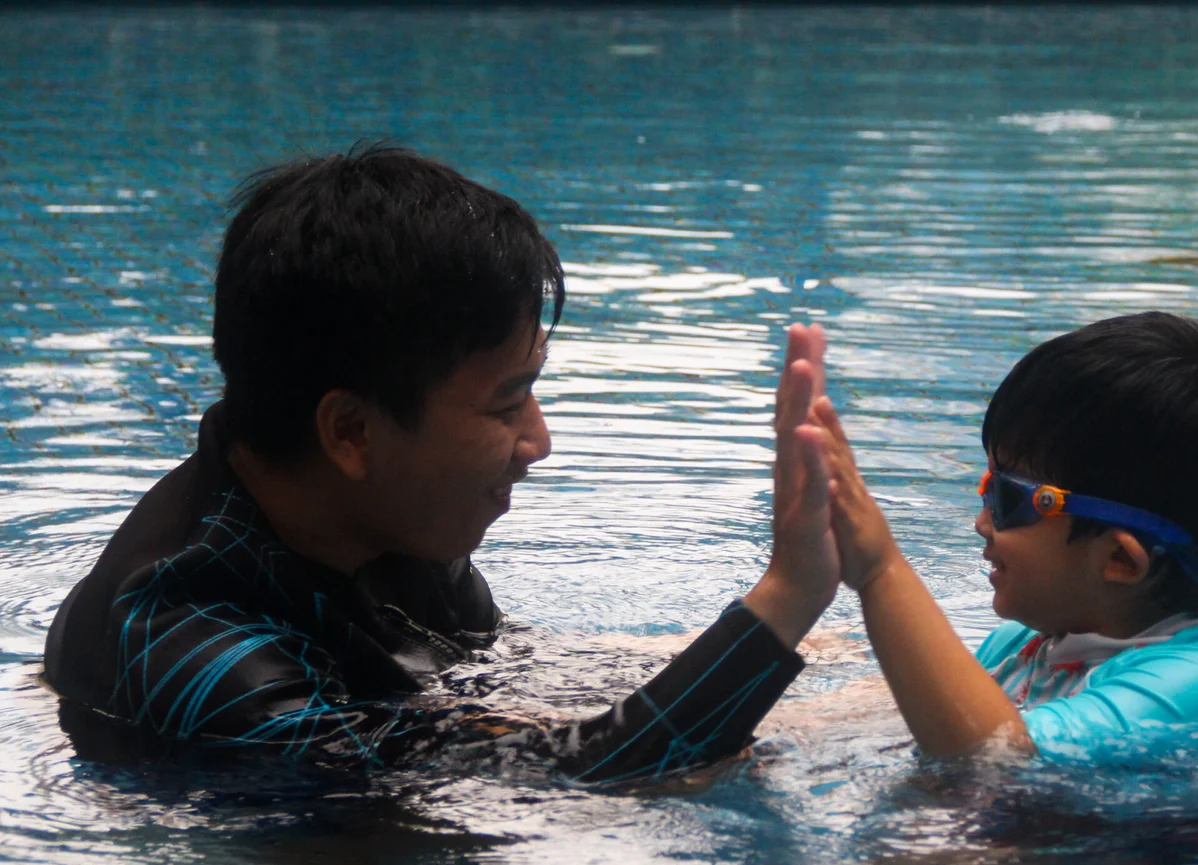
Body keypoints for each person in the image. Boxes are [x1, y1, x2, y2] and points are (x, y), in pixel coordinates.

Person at [42, 145, 839, 783]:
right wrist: (787, 598)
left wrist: (816, 662)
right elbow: (565, 782)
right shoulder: (195, 641)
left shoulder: (375, 515)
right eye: (507, 403)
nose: (539, 442)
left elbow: (503, 675)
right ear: (351, 430)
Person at [812, 312, 1198, 762]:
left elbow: (993, 754)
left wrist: (880, 572)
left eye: (1006, 497)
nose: (981, 522)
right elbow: (902, 711)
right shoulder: (1019, 645)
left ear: (1121, 559)